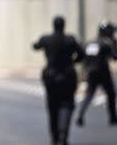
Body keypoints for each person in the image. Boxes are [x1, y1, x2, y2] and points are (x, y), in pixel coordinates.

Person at [33, 16, 84, 145]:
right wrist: (72, 61)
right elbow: (81, 55)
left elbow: (36, 46)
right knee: (67, 105)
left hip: (51, 78)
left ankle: (55, 137)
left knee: (52, 107)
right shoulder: (70, 40)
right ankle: (63, 136)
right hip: (67, 77)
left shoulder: (46, 39)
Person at [75, 21, 117, 127]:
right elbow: (115, 57)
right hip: (103, 72)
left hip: (91, 72)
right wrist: (115, 44)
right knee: (111, 94)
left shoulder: (89, 43)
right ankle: (113, 117)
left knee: (89, 94)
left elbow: (81, 58)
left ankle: (80, 114)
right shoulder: (107, 43)